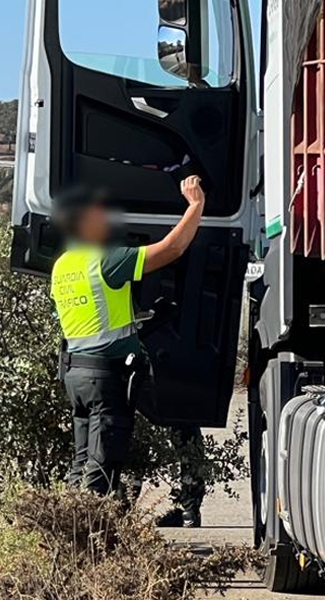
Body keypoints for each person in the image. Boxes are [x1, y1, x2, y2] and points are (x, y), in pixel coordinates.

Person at [50, 175, 206, 496]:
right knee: (102, 465)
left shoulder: (63, 266)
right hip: (105, 379)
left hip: (76, 374)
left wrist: (143, 321)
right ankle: (89, 538)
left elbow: (96, 313)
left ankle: (71, 526)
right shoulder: (106, 260)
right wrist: (196, 205)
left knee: (82, 462)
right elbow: (172, 248)